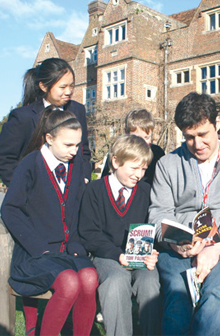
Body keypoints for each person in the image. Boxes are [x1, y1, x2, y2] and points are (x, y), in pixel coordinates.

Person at [148, 92, 220, 335]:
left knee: (217, 293)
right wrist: (175, 242)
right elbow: (158, 214)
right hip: (178, 249)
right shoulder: (168, 165)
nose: (197, 145)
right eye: (189, 137)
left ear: (217, 124)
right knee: (178, 299)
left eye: (202, 135)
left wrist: (216, 248)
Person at [0, 108, 98, 336]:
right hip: (36, 254)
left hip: (68, 252)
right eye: (68, 145)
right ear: (49, 138)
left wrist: (77, 244)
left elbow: (78, 207)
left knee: (90, 277)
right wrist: (38, 248)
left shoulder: (75, 165)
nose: (74, 152)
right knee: (69, 282)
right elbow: (10, 209)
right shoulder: (30, 164)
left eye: (77, 145)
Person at [79, 135, 161, 336]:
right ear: (115, 162)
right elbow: (89, 234)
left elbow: (152, 228)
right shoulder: (94, 190)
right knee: (116, 281)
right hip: (106, 256)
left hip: (139, 257)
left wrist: (153, 252)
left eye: (143, 169)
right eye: (133, 168)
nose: (139, 175)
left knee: (150, 283)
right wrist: (118, 255)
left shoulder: (146, 192)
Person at [0, 58, 91, 186]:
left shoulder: (78, 110)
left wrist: (84, 177)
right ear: (44, 86)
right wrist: (22, 188)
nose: (68, 92)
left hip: (71, 192)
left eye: (71, 86)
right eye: (62, 87)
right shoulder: (23, 117)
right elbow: (3, 158)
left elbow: (84, 150)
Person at [101, 108, 165, 185]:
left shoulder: (157, 153)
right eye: (136, 138)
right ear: (126, 133)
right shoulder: (119, 151)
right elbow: (106, 180)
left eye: (147, 137)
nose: (142, 143)